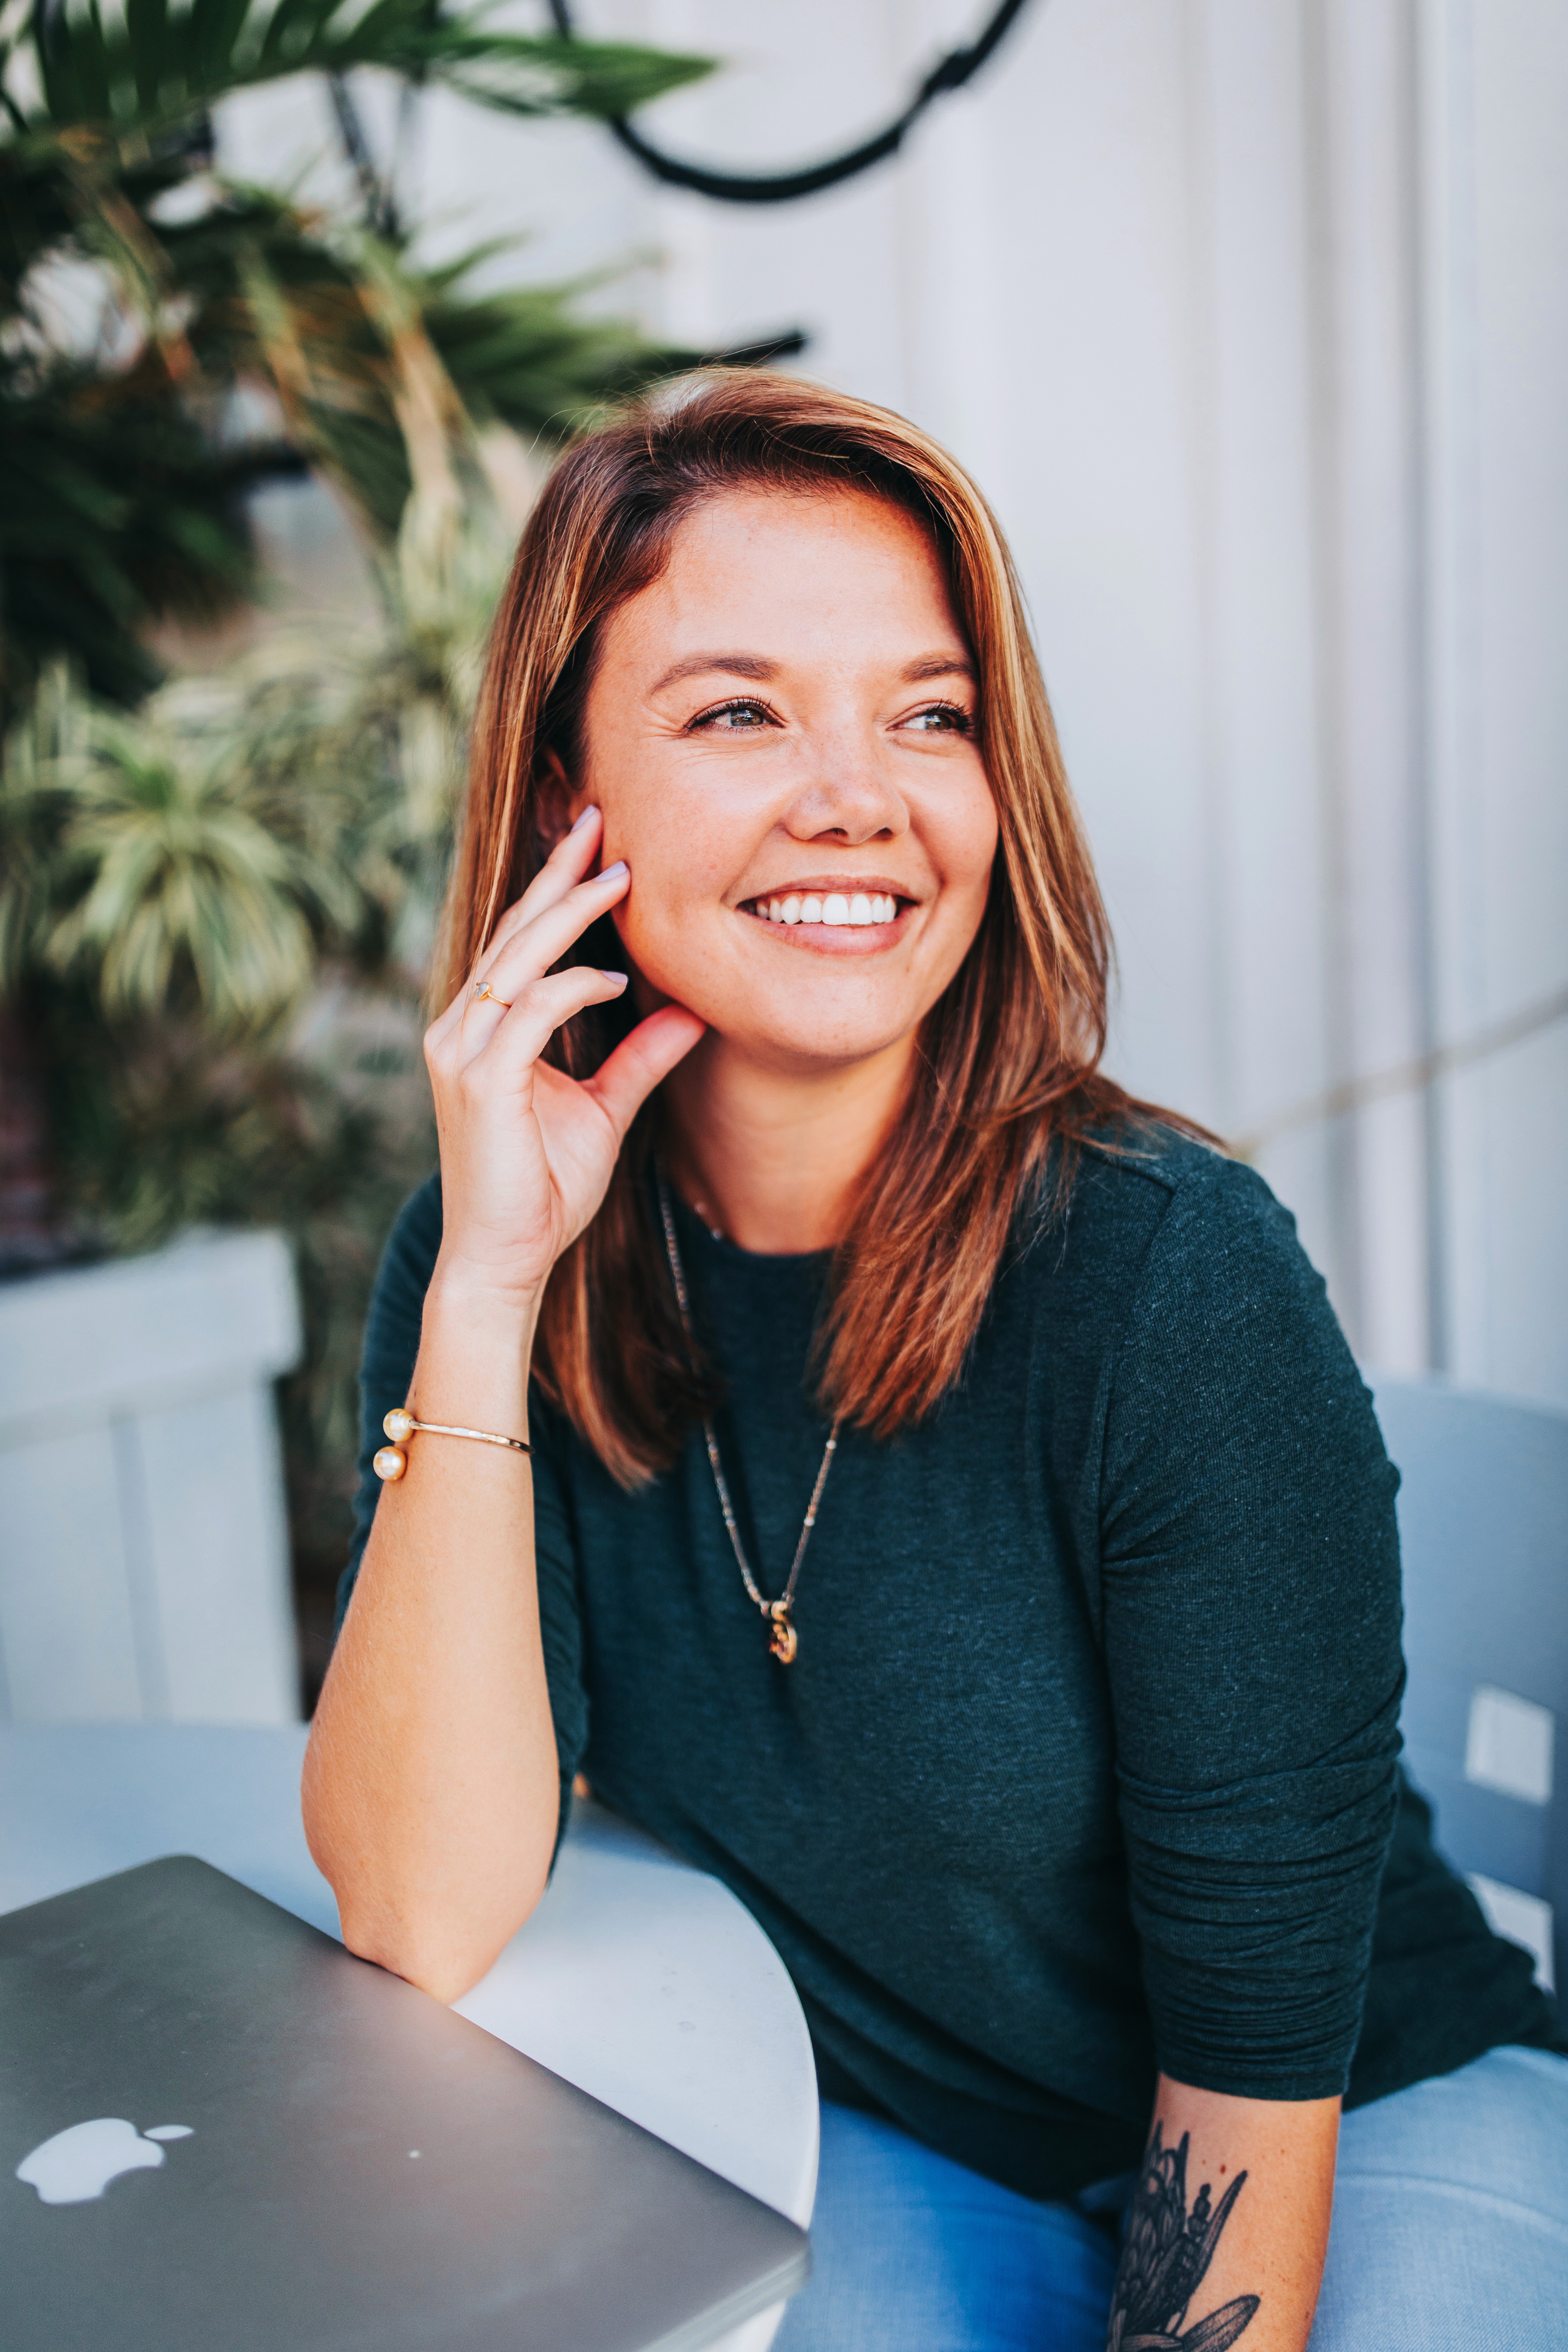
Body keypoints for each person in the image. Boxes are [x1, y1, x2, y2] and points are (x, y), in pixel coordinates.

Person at [302, 373, 1566, 2352]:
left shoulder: (1169, 1280)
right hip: (916, 2143)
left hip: (1353, 2114)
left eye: (931, 713)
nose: (858, 795)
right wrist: (487, 1291)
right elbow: (419, 1906)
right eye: (738, 711)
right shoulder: (494, 1259)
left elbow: (1249, 2074)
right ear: (571, 803)